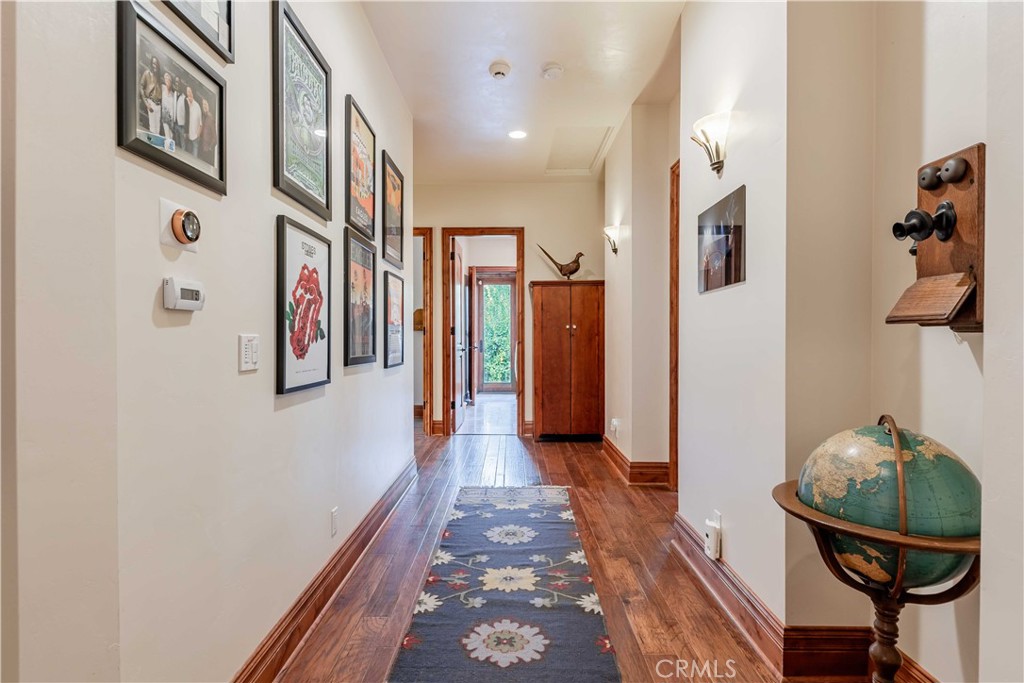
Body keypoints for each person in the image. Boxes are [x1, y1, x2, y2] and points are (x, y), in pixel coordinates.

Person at [139, 56, 161, 133]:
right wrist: (147, 103)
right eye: (153, 63)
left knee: (157, 130)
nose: (155, 65)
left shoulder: (158, 76)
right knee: (152, 128)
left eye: (156, 63)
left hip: (159, 105)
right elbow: (141, 87)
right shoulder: (147, 73)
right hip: (151, 102)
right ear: (151, 63)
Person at [199, 97, 217, 166]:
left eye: (206, 104)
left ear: (208, 105)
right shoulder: (204, 117)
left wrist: (209, 148)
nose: (204, 106)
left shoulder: (211, 119)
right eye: (203, 104)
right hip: (202, 148)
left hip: (207, 151)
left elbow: (215, 138)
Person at [185, 86, 202, 157]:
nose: (188, 93)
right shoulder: (185, 102)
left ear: (192, 93)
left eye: (190, 91)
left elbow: (201, 124)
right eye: (187, 91)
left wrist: (197, 135)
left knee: (194, 159)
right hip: (187, 136)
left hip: (195, 137)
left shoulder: (197, 106)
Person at [160, 72, 175, 141]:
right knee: (167, 136)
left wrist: (172, 119)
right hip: (164, 117)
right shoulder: (162, 88)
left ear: (171, 82)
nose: (167, 81)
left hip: (171, 119)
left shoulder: (173, 95)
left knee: (170, 136)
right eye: (166, 79)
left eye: (168, 80)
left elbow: (173, 109)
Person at [173, 76, 187, 148]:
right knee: (177, 145)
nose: (177, 84)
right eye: (176, 82)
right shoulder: (174, 94)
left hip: (181, 126)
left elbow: (187, 115)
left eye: (178, 82)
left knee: (183, 145)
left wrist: (186, 131)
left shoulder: (184, 98)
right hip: (175, 124)